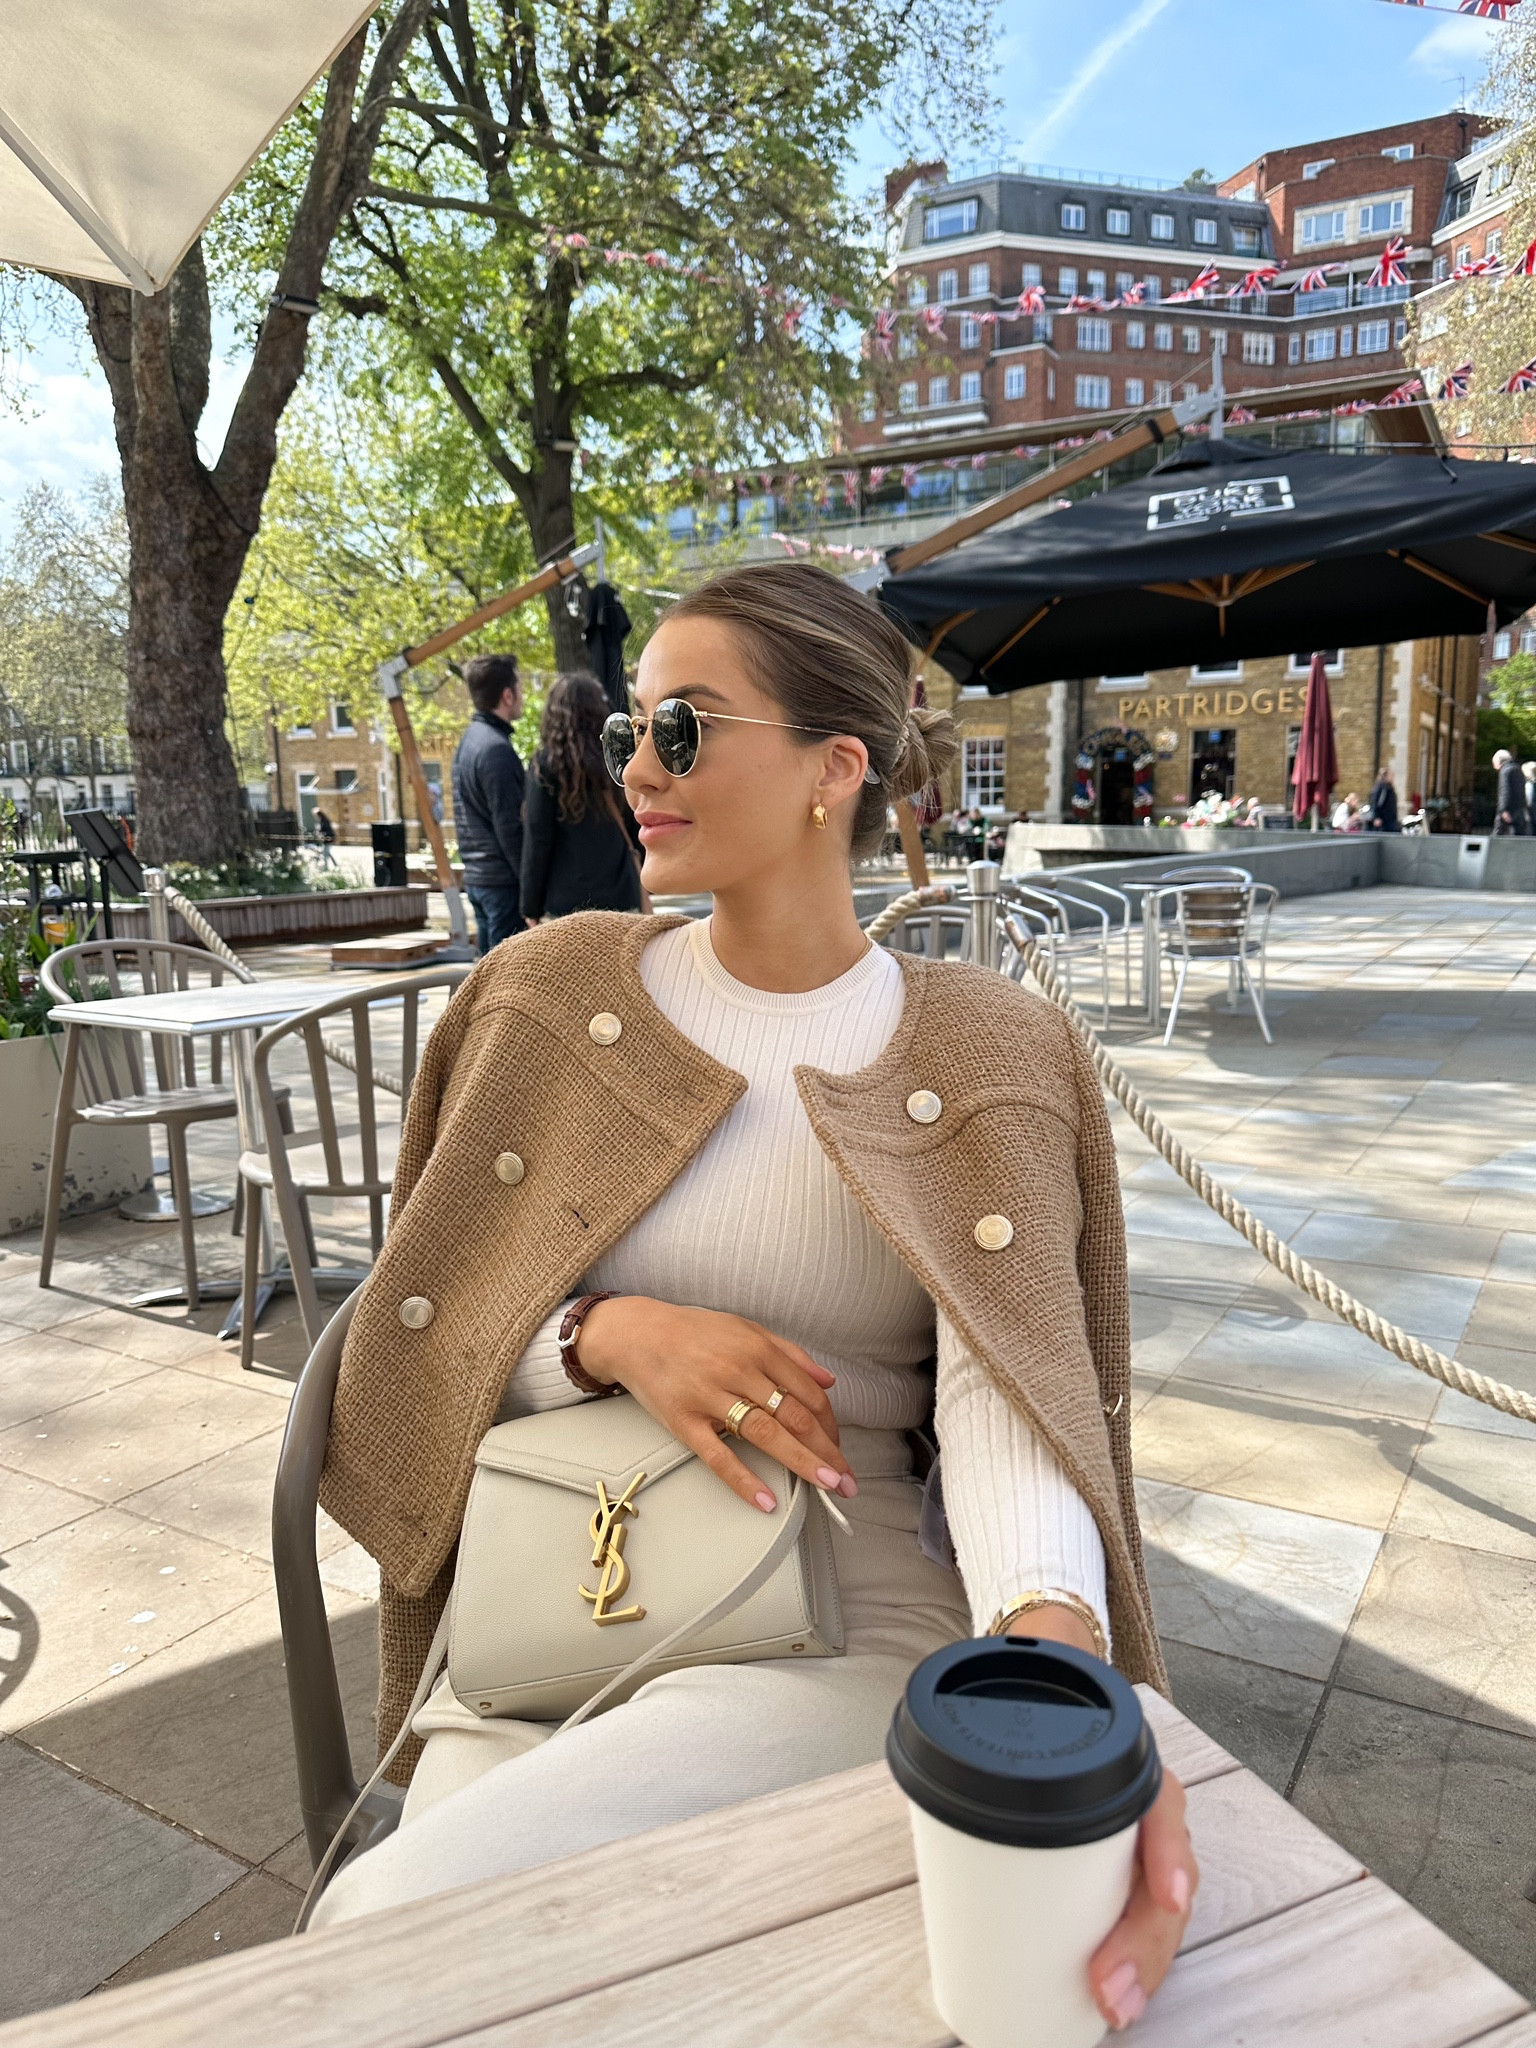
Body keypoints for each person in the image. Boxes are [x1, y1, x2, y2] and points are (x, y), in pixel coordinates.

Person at [313, 561, 1196, 2032]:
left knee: (410, 1926)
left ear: (832, 769)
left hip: (853, 1609)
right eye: (626, 737)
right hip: (553, 1593)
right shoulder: (543, 994)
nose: (632, 771)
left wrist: (1059, 1670)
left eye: (681, 728)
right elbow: (423, 1333)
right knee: (412, 1956)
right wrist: (603, 1338)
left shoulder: (992, 1048)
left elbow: (1003, 1396)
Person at [520, 671, 645, 921]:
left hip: (568, 904)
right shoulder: (618, 760)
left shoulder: (546, 767)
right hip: (622, 898)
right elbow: (636, 826)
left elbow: (538, 839)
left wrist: (529, 907)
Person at [452, 653, 527, 952]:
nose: (522, 695)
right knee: (504, 985)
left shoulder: (469, 742)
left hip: (479, 879)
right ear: (507, 695)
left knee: (486, 980)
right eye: (519, 688)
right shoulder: (496, 750)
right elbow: (510, 827)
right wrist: (530, 887)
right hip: (501, 883)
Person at [1493, 748, 1530, 836]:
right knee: (1519, 836)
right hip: (1519, 809)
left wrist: (1503, 809)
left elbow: (1504, 790)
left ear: (1499, 761)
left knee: (1497, 836)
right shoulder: (1517, 769)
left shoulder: (1505, 771)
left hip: (1508, 809)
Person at [1365, 766, 1399, 834]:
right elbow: (1377, 802)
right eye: (1391, 775)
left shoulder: (1389, 788)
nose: (1393, 777)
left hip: (1390, 819)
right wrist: (1376, 817)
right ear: (1385, 776)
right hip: (1384, 820)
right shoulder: (1383, 787)